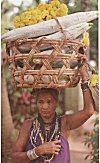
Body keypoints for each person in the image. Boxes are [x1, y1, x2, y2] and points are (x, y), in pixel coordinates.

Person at [12, 54, 95, 163]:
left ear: (56, 103)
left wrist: (84, 78)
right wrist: (38, 151)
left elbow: (88, 111)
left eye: (49, 102)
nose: (44, 106)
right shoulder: (28, 126)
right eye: (40, 102)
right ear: (36, 103)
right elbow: (15, 157)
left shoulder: (65, 123)